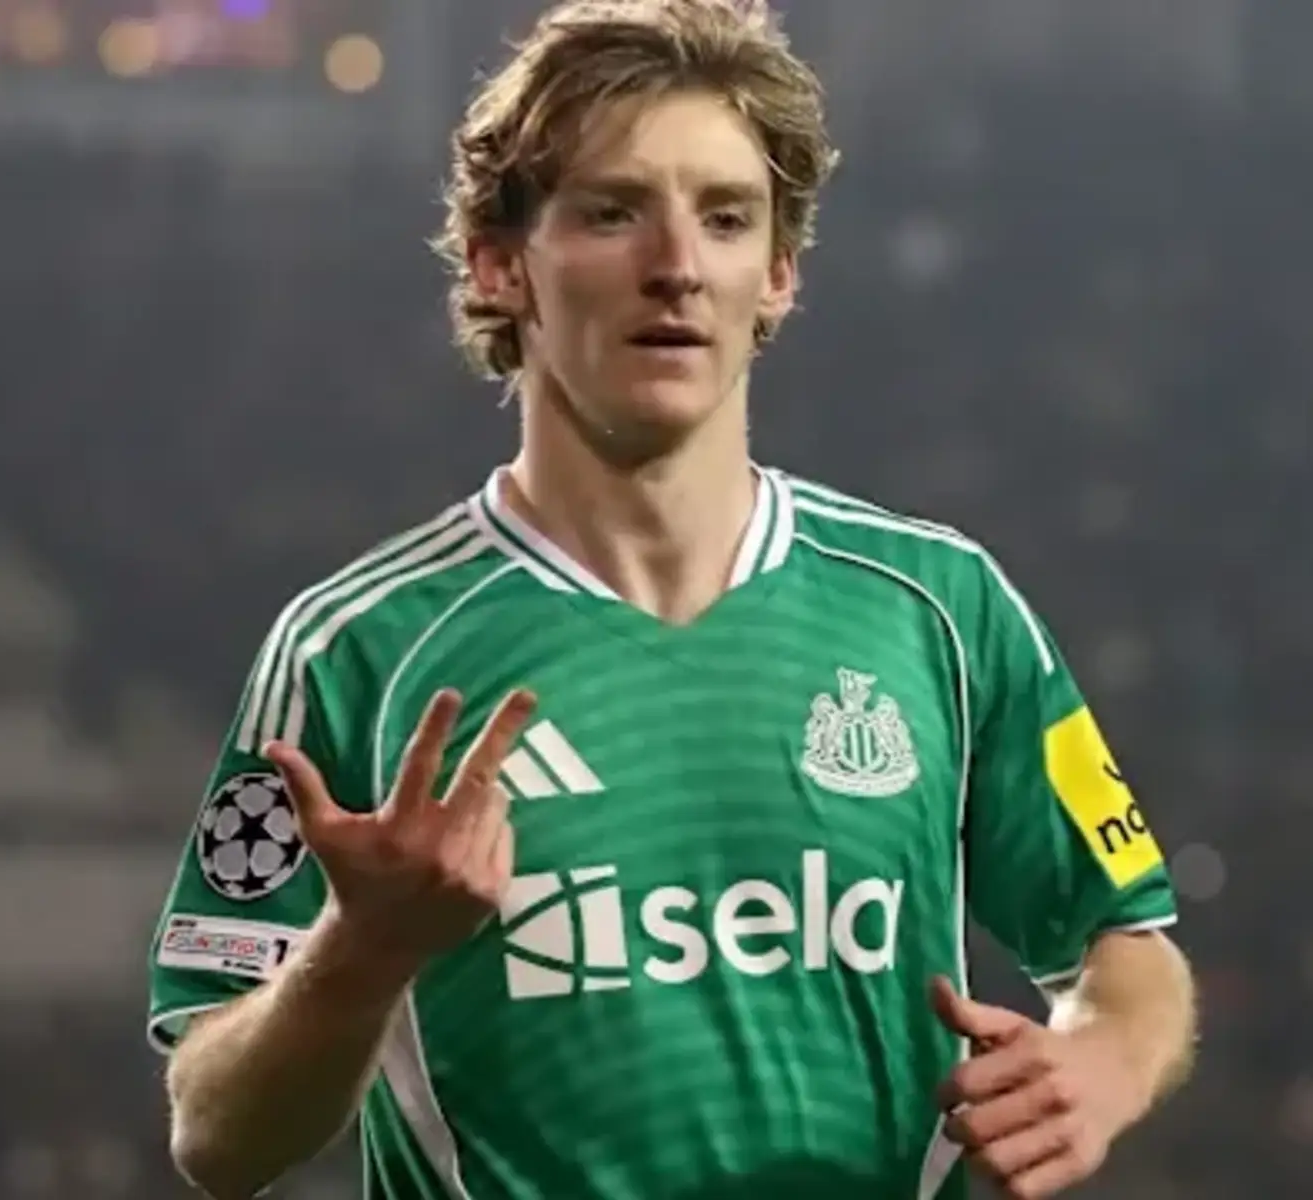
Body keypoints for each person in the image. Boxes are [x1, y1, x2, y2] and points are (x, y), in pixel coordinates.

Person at [147, 2, 1199, 1197]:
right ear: (501, 263)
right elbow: (215, 1135)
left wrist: (1104, 1060)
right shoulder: (356, 652)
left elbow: (1125, 943)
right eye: (611, 212)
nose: (677, 265)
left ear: (778, 275)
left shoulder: (939, 608)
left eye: (726, 217)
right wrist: (363, 949)